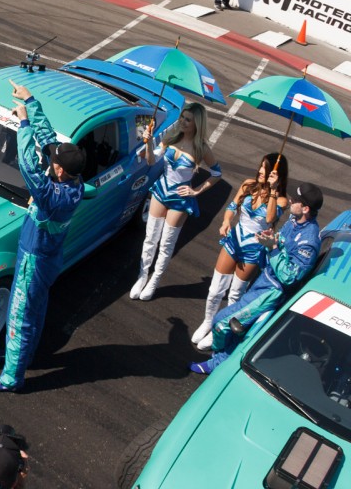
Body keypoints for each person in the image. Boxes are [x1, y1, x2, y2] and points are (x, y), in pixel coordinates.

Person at [0, 81, 85, 392]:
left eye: (54, 162)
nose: (51, 159)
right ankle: (23, 355)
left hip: (34, 261)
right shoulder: (71, 178)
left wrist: (23, 123)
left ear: (61, 171)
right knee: (34, 312)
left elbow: (28, 163)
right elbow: (49, 140)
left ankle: (12, 376)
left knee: (19, 316)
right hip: (47, 258)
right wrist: (30, 101)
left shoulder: (55, 195)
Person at [191, 183, 324, 375]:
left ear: (306, 209)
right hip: (264, 280)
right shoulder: (294, 221)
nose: (291, 202)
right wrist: (271, 239)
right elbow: (280, 244)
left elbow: (290, 277)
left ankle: (216, 363)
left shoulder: (309, 241)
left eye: (295, 201)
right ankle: (220, 360)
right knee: (237, 327)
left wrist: (273, 248)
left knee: (222, 322)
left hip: (272, 291)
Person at [193, 153, 288, 349]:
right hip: (234, 241)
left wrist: (272, 190)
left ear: (276, 175)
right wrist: (227, 220)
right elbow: (231, 206)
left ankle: (220, 331)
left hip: (253, 250)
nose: (261, 171)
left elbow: (270, 219)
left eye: (267, 169)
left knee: (235, 294)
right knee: (215, 289)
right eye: (261, 166)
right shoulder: (248, 184)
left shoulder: (281, 200)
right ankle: (207, 323)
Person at [129, 104, 222, 301]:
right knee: (150, 238)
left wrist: (196, 191)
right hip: (161, 190)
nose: (183, 121)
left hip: (180, 199)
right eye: (182, 117)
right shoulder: (171, 136)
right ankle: (142, 276)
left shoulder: (202, 148)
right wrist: (147, 142)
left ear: (197, 123)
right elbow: (152, 161)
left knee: (166, 244)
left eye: (188, 119)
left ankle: (154, 281)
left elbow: (216, 173)